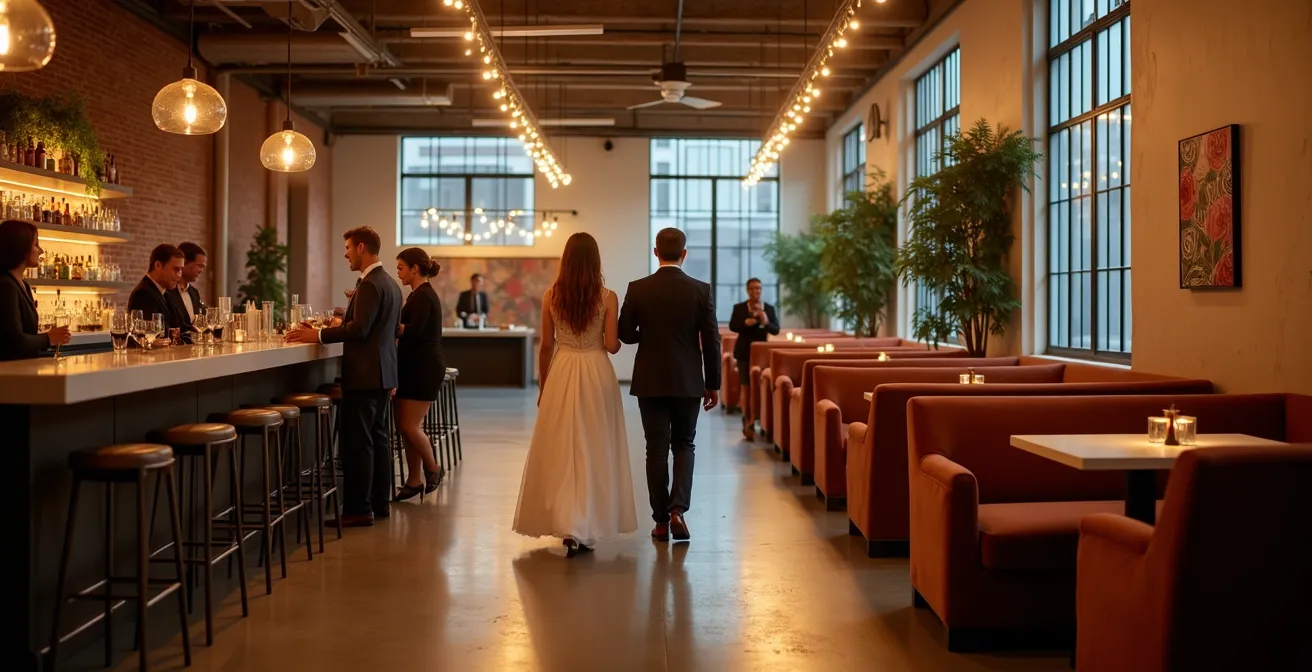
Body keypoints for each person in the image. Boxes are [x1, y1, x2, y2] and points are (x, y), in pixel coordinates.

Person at [513, 232, 635, 556]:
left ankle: (569, 524)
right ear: (595, 261)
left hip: (562, 372)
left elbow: (546, 346)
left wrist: (542, 386)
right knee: (593, 447)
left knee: (564, 448)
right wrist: (619, 341)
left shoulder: (551, 295)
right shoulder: (607, 297)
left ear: (566, 259)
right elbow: (611, 345)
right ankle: (586, 525)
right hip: (597, 373)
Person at [286, 226, 401, 527]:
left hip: (364, 374)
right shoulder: (389, 283)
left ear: (361, 247)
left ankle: (358, 509)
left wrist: (318, 334)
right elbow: (375, 327)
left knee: (358, 443)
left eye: (348, 248)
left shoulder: (370, 284)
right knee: (378, 440)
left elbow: (359, 330)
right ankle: (379, 502)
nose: (346, 254)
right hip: (383, 372)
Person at [618, 228, 720, 543]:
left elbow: (624, 333)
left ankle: (661, 522)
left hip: (650, 380)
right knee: (685, 445)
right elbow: (712, 342)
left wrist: (646, 335)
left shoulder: (638, 289)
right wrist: (712, 383)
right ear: (684, 254)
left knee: (656, 449)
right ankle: (679, 510)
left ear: (655, 252)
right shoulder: (701, 290)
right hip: (689, 381)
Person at [393, 247, 446, 502]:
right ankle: (414, 480)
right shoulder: (417, 295)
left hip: (422, 367)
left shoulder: (423, 296)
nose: (399, 273)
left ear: (415, 269)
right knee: (408, 427)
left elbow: (414, 331)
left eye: (401, 268)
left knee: (408, 425)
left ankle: (433, 468)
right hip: (413, 366)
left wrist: (386, 323)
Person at [0, 219, 70, 361]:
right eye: (36, 244)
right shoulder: (5, 285)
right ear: (21, 247)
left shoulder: (23, 285)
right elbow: (13, 341)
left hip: (23, 369)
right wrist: (48, 338)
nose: (41, 251)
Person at [728, 277, 780, 440]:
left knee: (761, 387)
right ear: (747, 290)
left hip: (762, 354)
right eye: (752, 289)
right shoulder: (739, 308)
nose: (755, 291)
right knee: (746, 386)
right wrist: (745, 323)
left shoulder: (769, 309)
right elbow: (732, 326)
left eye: (758, 288)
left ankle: (760, 419)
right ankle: (747, 420)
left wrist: (765, 322)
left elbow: (776, 330)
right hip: (744, 352)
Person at [128, 244, 187, 336]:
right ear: (158, 265)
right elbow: (152, 337)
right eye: (176, 269)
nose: (179, 275)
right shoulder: (143, 294)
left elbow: (179, 326)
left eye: (181, 269)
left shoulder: (164, 291)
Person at [166, 242, 207, 329]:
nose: (201, 271)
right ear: (184, 263)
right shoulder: (166, 292)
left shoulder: (194, 293)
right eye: (199, 266)